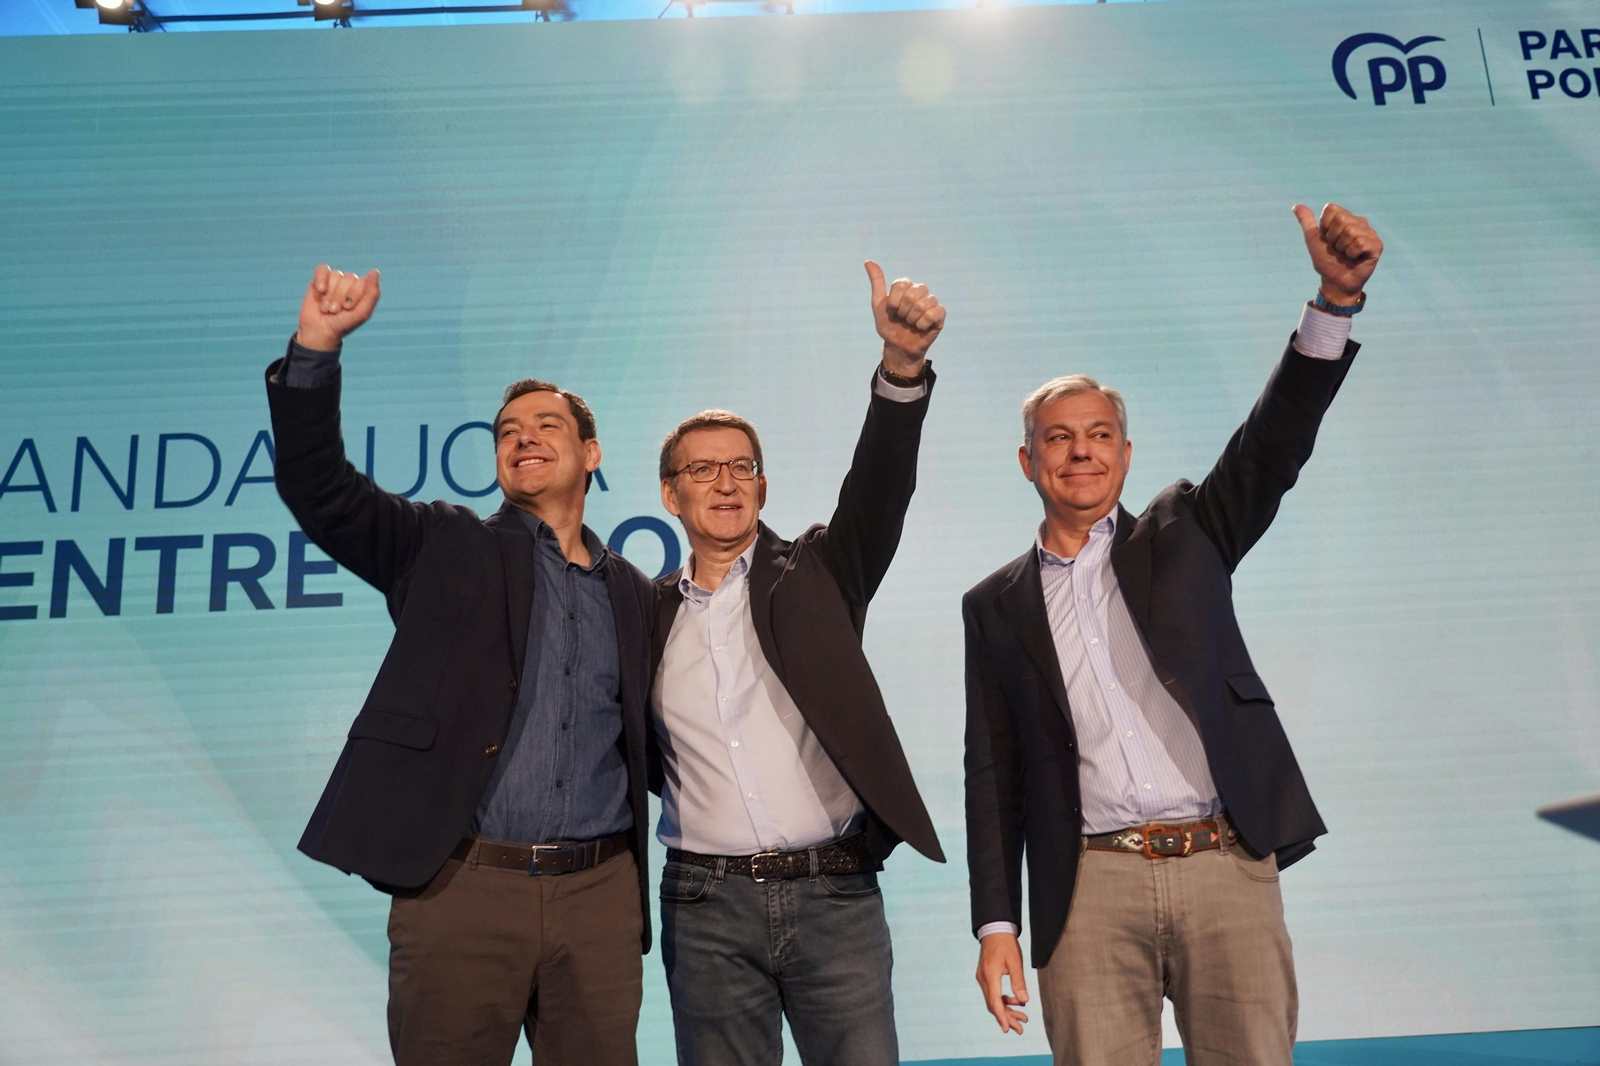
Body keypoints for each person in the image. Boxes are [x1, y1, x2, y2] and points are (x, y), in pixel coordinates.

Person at [963, 204, 1384, 1065]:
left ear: (1124, 454)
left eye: (1099, 436)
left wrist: (1333, 303)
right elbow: (992, 768)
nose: (1081, 453)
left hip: (1223, 863)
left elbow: (1272, 446)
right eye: (1059, 439)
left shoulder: (1188, 531)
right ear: (1028, 461)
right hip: (1088, 884)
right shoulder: (992, 604)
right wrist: (997, 922)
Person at [264, 265, 656, 1066]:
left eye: (546, 424)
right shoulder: (441, 544)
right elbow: (321, 488)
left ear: (591, 452)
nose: (523, 437)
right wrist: (317, 348)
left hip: (600, 896)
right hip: (462, 891)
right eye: (508, 430)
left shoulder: (638, 594)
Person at [647, 262, 948, 1066]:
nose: (726, 481)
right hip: (704, 904)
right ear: (670, 495)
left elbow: (879, 488)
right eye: (703, 469)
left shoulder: (820, 570)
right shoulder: (642, 612)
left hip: (835, 895)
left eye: (741, 466)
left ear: (764, 485)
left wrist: (902, 369)